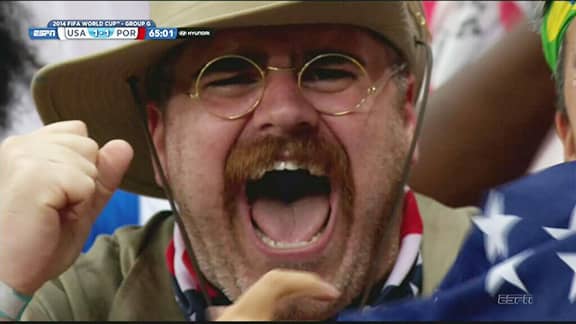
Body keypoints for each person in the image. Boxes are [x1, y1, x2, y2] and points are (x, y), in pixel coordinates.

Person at [0, 1, 488, 321]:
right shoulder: (77, 304)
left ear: (405, 115)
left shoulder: (522, 273)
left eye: (331, 70)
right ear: (159, 136)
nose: (284, 112)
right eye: (228, 76)